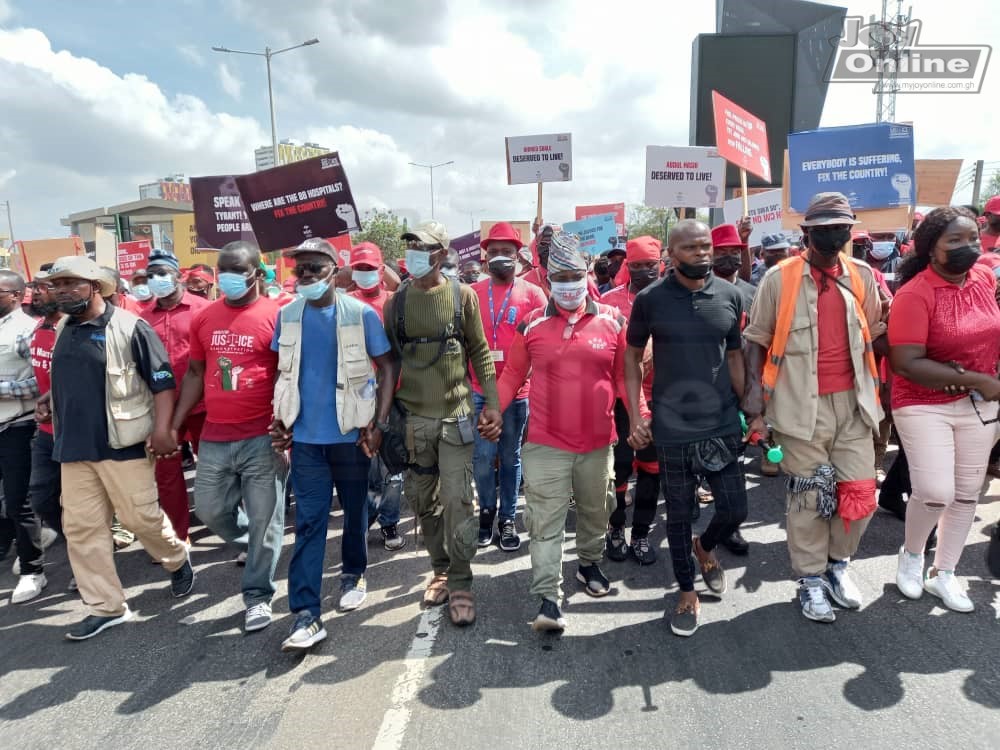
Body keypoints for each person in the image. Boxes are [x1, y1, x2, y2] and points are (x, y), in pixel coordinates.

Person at [744, 192, 885, 624]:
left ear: (850, 230)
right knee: (808, 496)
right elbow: (757, 340)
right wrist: (754, 399)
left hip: (855, 404)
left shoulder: (863, 276)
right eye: (823, 229)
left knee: (860, 493)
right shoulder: (779, 279)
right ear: (806, 234)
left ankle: (837, 564)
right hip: (797, 405)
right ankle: (809, 579)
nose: (833, 235)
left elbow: (876, 336)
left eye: (840, 227)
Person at [497, 231, 643, 632]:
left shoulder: (614, 320)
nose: (567, 285)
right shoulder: (532, 324)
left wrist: (641, 416)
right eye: (559, 277)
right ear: (547, 281)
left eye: (574, 276)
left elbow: (624, 377)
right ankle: (547, 597)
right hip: (545, 443)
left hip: (598, 443)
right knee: (545, 520)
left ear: (586, 275)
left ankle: (589, 563)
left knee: (599, 510)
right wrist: (495, 408)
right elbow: (512, 374)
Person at [41, 256, 193, 640]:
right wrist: (48, 396)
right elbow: (75, 375)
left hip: (120, 445)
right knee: (82, 530)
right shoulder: (63, 328)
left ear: (95, 286)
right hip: (73, 449)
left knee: (141, 519)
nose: (61, 291)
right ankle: (106, 606)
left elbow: (162, 383)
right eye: (57, 285)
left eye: (71, 283)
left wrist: (163, 430)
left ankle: (175, 559)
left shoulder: (131, 328)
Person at [374, 221, 503, 628]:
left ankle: (462, 583)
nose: (413, 251)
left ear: (441, 252)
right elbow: (389, 363)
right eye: (409, 244)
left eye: (422, 246)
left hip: (456, 418)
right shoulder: (395, 303)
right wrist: (381, 419)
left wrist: (493, 404)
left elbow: (480, 351)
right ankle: (441, 569)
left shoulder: (461, 295)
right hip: (414, 422)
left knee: (459, 501)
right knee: (421, 500)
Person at [269, 238, 394, 652]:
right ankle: (305, 614)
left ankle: (353, 574)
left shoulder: (359, 315)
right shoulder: (287, 316)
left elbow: (388, 366)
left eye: (313, 268)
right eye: (299, 268)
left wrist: (378, 423)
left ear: (333, 269)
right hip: (305, 441)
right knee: (309, 523)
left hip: (351, 437)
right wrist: (279, 420)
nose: (304, 275)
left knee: (356, 512)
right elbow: (282, 374)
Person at [625, 221, 748, 637]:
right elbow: (631, 358)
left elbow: (734, 357)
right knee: (678, 514)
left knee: (734, 508)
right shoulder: (649, 300)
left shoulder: (731, 295)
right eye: (691, 248)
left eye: (706, 246)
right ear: (671, 256)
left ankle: (706, 547)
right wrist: (636, 415)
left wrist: (752, 406)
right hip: (671, 427)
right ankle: (685, 590)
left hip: (722, 422)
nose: (702, 254)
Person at [889, 206, 1000, 613]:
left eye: (973, 238)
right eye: (955, 241)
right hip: (923, 402)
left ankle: (945, 573)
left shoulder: (985, 278)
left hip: (978, 404)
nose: (968, 248)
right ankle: (913, 555)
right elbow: (906, 362)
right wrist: (977, 380)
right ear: (931, 248)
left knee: (967, 494)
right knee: (937, 492)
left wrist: (982, 378)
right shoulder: (914, 294)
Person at [172, 240, 285, 634]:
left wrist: (287, 425)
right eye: (223, 271)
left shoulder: (278, 316)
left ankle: (257, 595)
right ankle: (252, 546)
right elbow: (195, 375)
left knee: (265, 520)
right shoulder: (205, 318)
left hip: (262, 436)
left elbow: (291, 375)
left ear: (257, 271)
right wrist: (175, 423)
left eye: (237, 271)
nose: (228, 279)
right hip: (216, 436)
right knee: (209, 510)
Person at [470, 222, 547, 550]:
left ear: (518, 256)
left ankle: (507, 518)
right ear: (486, 256)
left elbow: (544, 341)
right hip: (479, 391)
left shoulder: (533, 293)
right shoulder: (473, 293)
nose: (501, 257)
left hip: (518, 393)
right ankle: (486, 512)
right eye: (495, 251)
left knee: (511, 456)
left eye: (508, 252)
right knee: (482, 458)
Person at [140, 249, 210, 544]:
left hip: (204, 404)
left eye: (162, 273)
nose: (156, 279)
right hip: (162, 407)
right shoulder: (142, 319)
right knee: (166, 474)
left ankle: (231, 526)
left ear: (178, 275)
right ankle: (178, 536)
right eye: (150, 275)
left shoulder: (203, 309)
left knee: (216, 469)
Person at [600, 236, 663, 565]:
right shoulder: (610, 301)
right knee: (621, 468)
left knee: (652, 470)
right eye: (636, 265)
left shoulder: (671, 297)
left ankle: (640, 534)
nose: (642, 271)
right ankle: (615, 529)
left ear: (660, 264)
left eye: (649, 266)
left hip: (660, 399)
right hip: (623, 400)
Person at [347, 241, 404, 550]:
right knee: (367, 472)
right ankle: (363, 520)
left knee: (395, 471)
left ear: (382, 270)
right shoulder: (342, 304)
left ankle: (389, 522)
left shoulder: (397, 302)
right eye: (360, 269)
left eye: (371, 269)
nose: (365, 274)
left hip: (396, 399)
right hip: (357, 401)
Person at [0, 269, 47, 604]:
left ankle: (33, 571)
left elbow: (41, 383)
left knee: (19, 501)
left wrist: (2, 390)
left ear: (16, 295)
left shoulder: (27, 331)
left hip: (18, 425)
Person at [26, 269, 66, 576]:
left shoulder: (73, 329)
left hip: (75, 430)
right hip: (46, 430)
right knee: (40, 499)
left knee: (85, 505)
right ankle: (74, 542)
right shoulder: (39, 327)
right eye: (34, 287)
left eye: (44, 287)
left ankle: (90, 558)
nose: (36, 293)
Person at [711, 223, 757, 310]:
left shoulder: (753, 294)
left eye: (735, 253)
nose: (729, 256)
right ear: (710, 255)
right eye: (722, 253)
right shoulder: (700, 291)